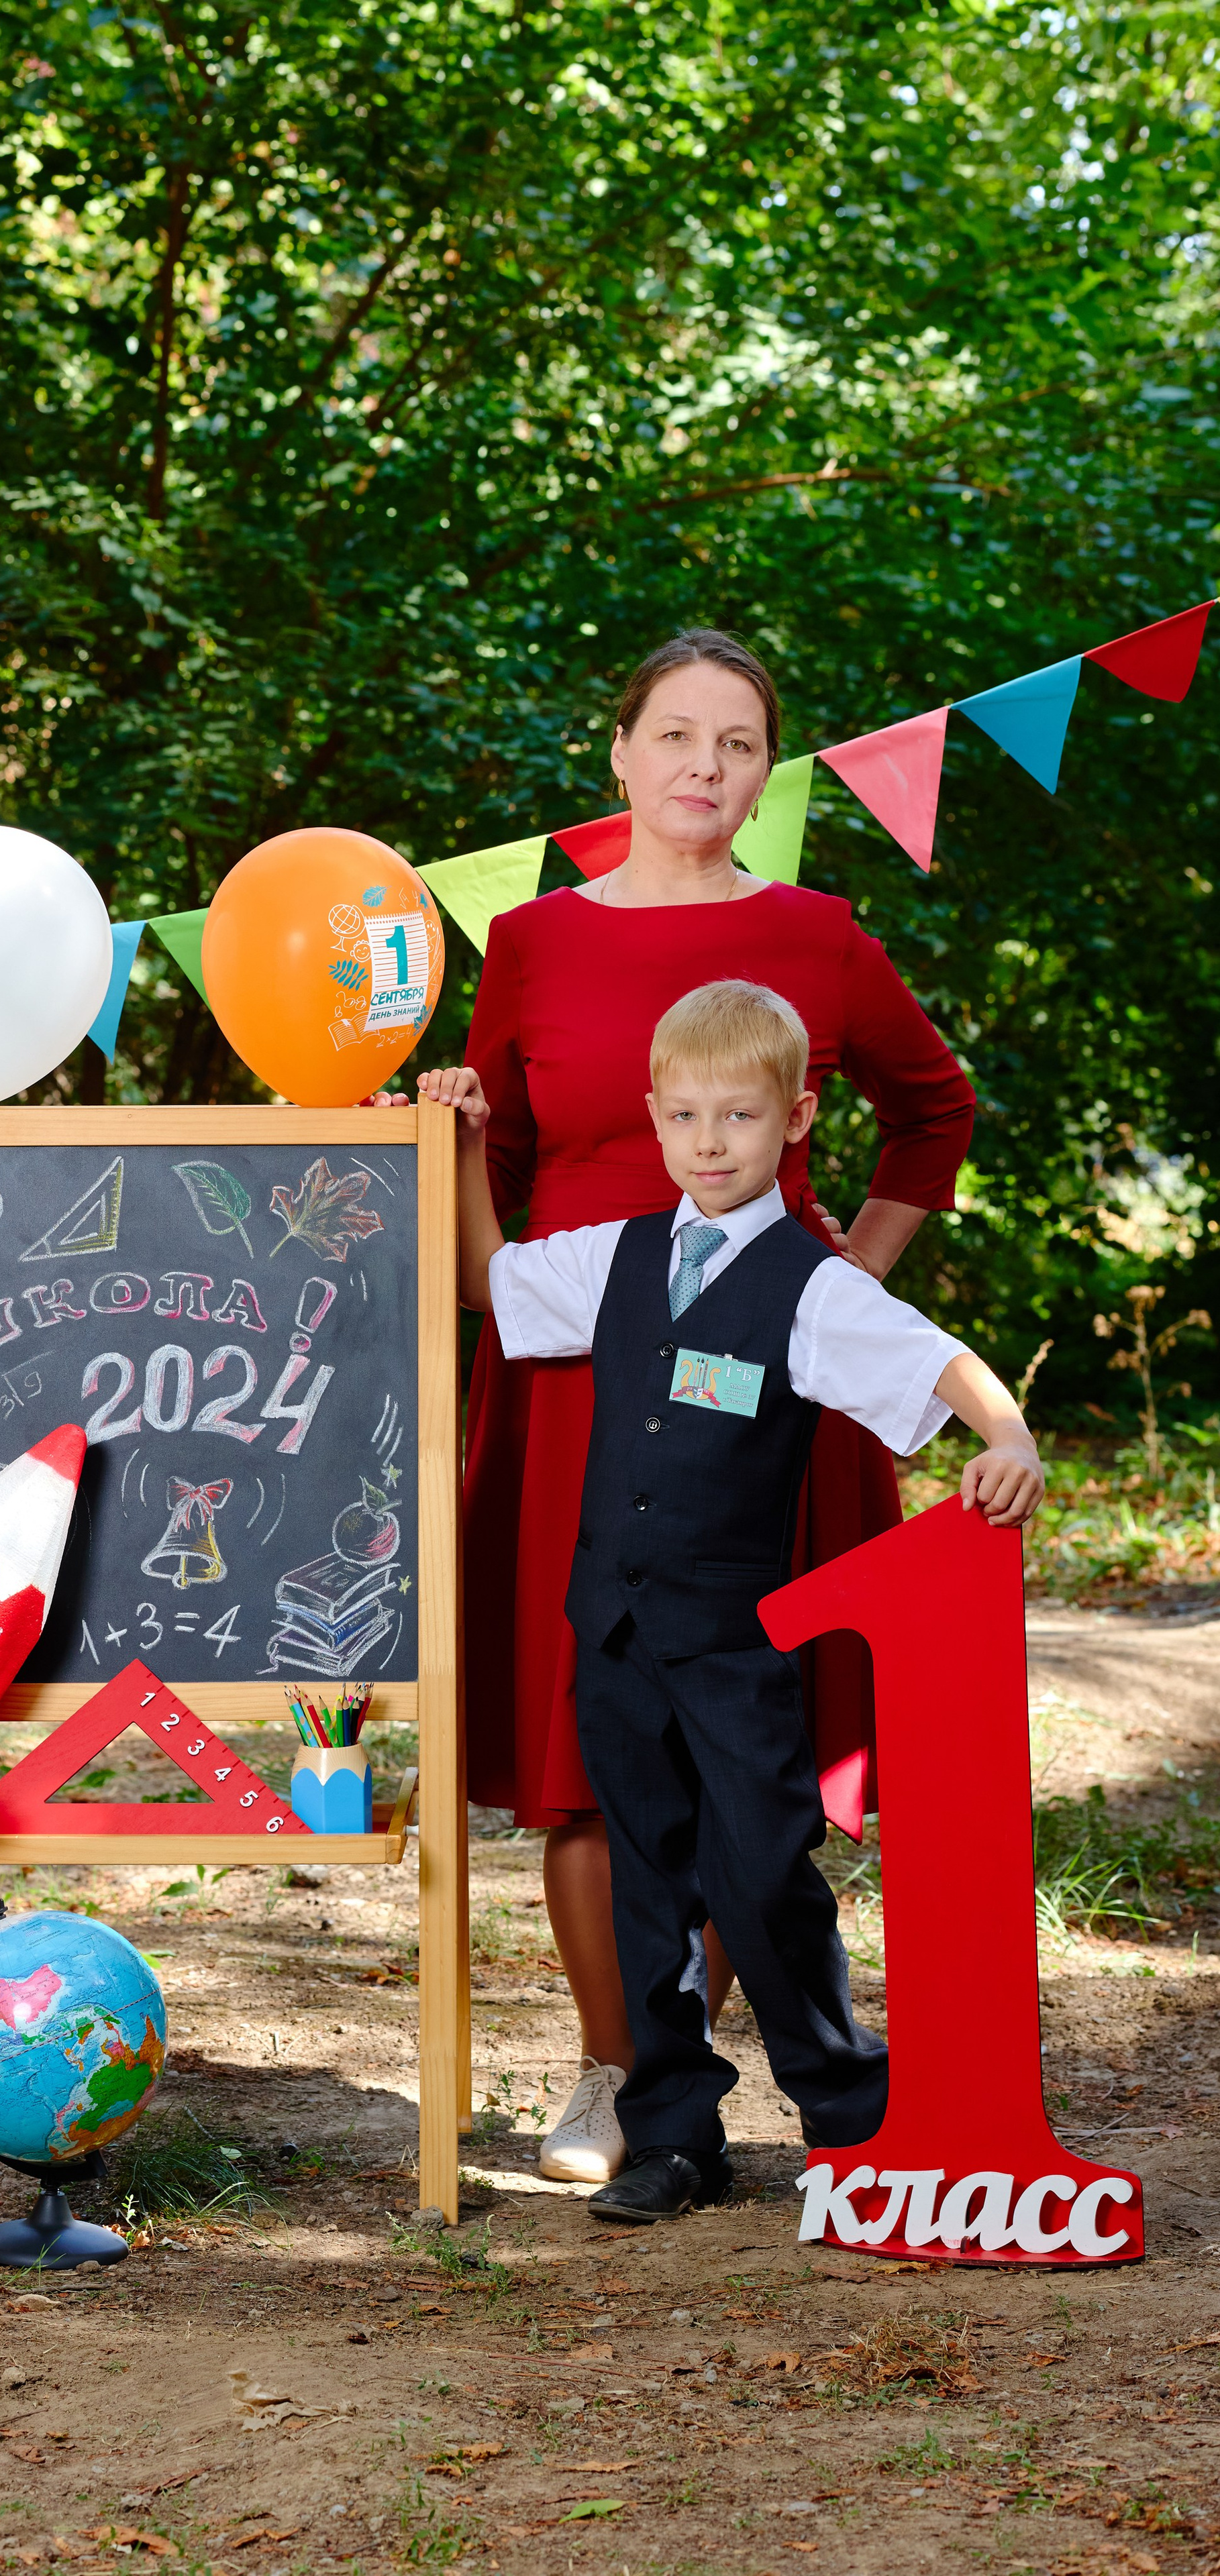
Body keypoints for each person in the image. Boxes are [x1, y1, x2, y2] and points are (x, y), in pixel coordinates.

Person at [452, 629, 976, 2187]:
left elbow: (930, 1108)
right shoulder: (529, 943)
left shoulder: (814, 936)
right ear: (617, 754)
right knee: (585, 1734)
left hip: (763, 1392)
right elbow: (489, 1157)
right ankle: (618, 2075)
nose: (702, 766)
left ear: (765, 771)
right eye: (674, 735)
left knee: (743, 1741)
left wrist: (842, 1281)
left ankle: (724, 2065)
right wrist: (445, 1136)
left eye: (736, 743)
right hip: (573, 1373)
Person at [421, 981, 1043, 2220]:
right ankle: (674, 2134)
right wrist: (471, 1144)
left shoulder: (812, 1287)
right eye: (688, 1116)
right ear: (654, 1116)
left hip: (735, 1646)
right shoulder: (614, 1257)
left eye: (741, 1117)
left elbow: (936, 1360)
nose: (712, 1143)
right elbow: (487, 1280)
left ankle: (856, 2116)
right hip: (615, 1634)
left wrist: (1010, 1433)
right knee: (648, 1882)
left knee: (761, 1875)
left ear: (795, 1119)